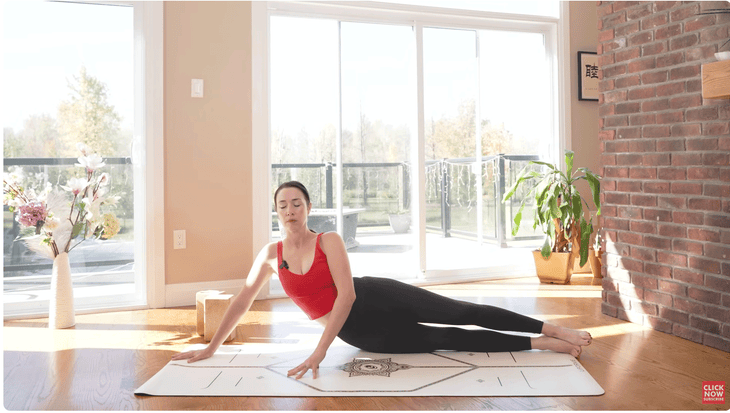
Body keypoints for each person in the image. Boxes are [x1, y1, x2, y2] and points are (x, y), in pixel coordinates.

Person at [173, 181, 592, 379]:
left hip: (376, 298)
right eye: (282, 204)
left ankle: (552, 327)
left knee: (462, 310)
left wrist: (319, 351)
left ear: (308, 206)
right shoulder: (271, 255)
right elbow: (243, 300)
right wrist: (211, 347)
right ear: (276, 211)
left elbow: (348, 295)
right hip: (359, 330)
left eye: (296, 203)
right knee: (446, 337)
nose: (289, 210)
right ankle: (539, 344)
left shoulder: (329, 239)